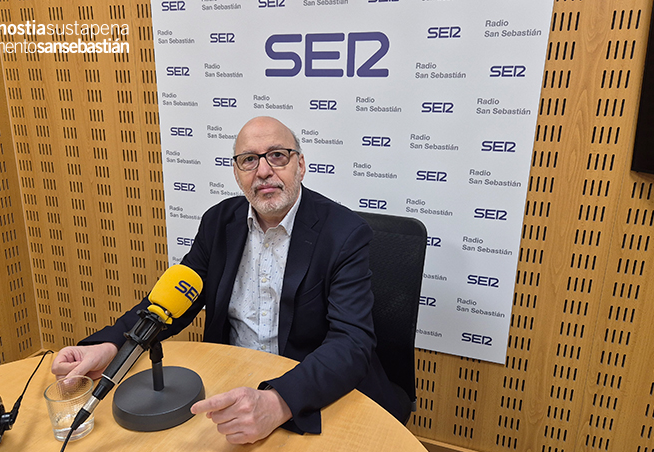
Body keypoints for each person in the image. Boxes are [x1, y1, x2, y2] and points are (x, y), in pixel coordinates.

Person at [51, 116, 410, 443]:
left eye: (278, 156)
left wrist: (279, 401)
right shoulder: (218, 223)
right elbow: (172, 301)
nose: (264, 171)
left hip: (308, 391)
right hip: (231, 380)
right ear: (237, 173)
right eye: (249, 160)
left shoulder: (344, 233)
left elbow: (351, 342)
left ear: (300, 165)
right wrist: (112, 346)